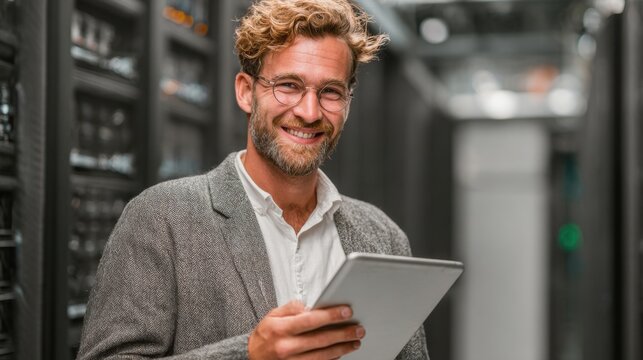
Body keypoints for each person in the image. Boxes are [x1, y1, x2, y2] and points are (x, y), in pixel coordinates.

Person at [77, 0, 429, 359]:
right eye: (289, 86)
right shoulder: (161, 219)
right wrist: (248, 354)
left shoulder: (383, 237)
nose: (309, 112)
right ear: (246, 91)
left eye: (330, 92)